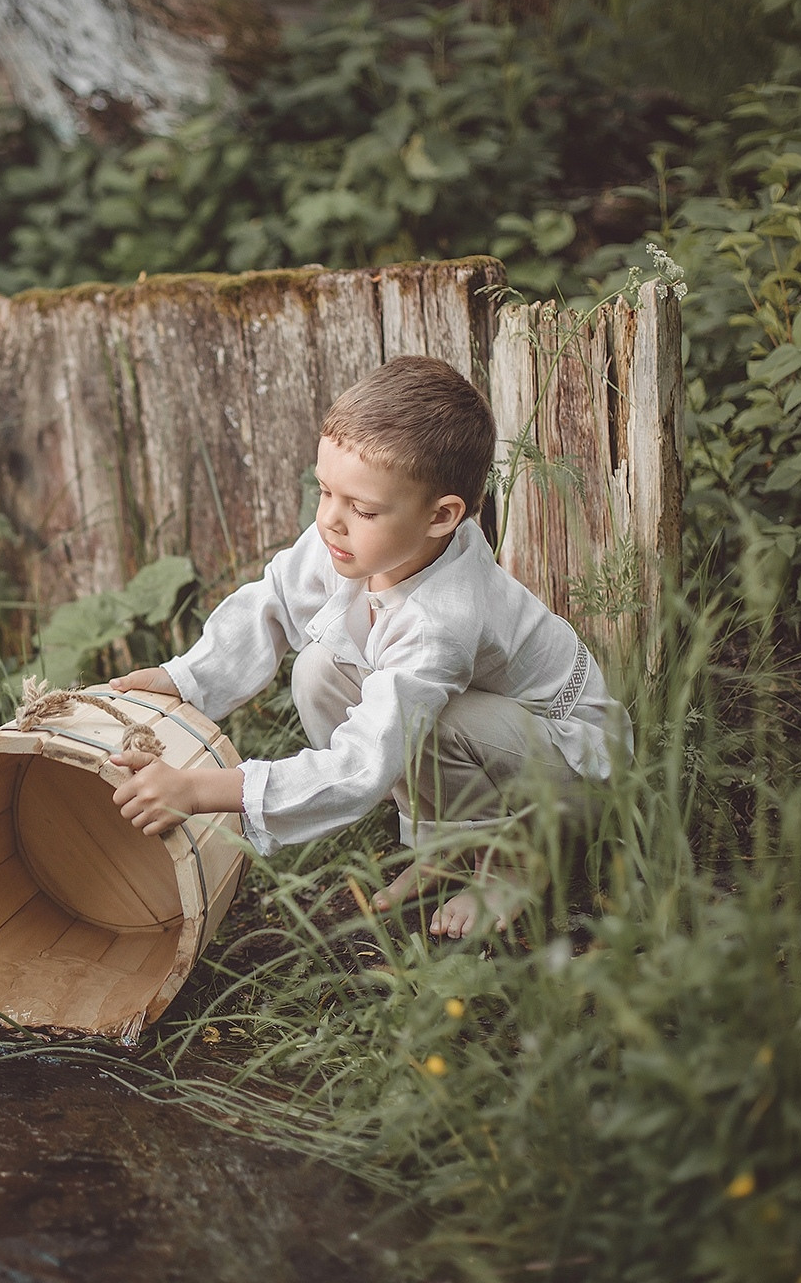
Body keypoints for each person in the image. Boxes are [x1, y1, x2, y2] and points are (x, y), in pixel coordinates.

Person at [105, 355, 627, 937]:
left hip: (565, 766)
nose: (330, 520)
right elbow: (272, 599)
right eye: (327, 491)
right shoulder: (362, 541)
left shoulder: (442, 618)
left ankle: (512, 860)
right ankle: (449, 844)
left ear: (442, 516)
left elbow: (363, 762)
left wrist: (204, 790)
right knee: (319, 671)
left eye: (362, 508)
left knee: (439, 720)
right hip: (490, 736)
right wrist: (187, 680)